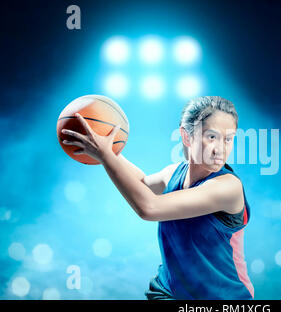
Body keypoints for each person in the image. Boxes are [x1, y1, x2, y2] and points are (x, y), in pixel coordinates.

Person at [62, 96, 254, 300]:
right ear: (186, 136)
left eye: (228, 139)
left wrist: (105, 155)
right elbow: (141, 185)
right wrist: (108, 148)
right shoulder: (173, 173)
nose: (221, 149)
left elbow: (149, 207)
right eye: (212, 137)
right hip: (168, 292)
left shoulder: (228, 187)